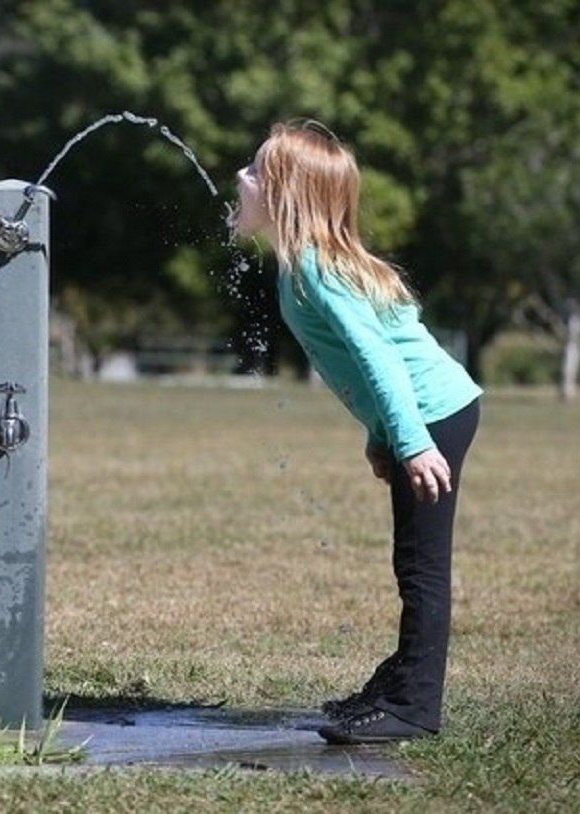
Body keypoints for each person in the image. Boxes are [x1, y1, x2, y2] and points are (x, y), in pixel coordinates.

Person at [229, 120, 482, 745]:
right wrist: (383, 435)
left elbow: (381, 359)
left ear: (286, 195)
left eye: (257, 172)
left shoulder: (314, 267)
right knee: (412, 563)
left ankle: (414, 708)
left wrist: (413, 440)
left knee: (422, 567)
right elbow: (374, 358)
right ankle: (396, 687)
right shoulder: (303, 265)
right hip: (421, 418)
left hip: (432, 417)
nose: (241, 178)